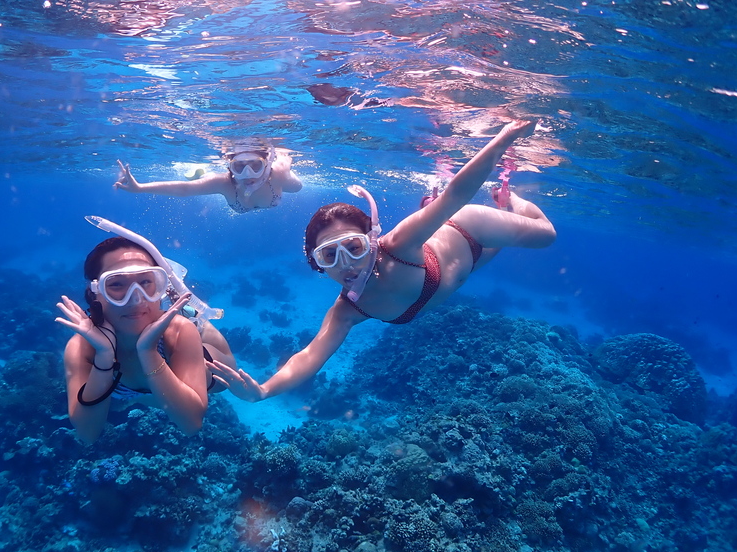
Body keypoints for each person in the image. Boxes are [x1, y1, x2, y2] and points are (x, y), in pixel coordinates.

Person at [209, 120, 556, 402]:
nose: (346, 263)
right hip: (466, 266)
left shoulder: (398, 245)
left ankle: (511, 201)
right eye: (329, 255)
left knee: (546, 235)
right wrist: (263, 391)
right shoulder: (346, 310)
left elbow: (456, 196)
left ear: (372, 242)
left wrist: (503, 140)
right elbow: (310, 356)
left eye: (354, 247)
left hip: (467, 229)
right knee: (492, 245)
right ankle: (463, 208)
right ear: (317, 264)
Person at [55, 219, 235, 443]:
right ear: (95, 292)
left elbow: (191, 425)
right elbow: (87, 434)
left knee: (222, 375)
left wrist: (149, 352)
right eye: (116, 284)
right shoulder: (84, 347)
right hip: (154, 393)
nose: (136, 299)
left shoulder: (178, 331)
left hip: (207, 363)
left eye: (146, 282)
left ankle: (192, 313)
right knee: (146, 396)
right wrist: (104, 356)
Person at [113, 147, 303, 213]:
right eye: (239, 167)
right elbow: (185, 189)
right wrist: (140, 188)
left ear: (267, 165)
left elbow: (297, 187)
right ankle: (201, 172)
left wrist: (285, 173)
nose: (248, 174)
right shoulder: (224, 183)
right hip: (217, 182)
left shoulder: (278, 175)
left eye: (256, 166)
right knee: (207, 180)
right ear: (230, 168)